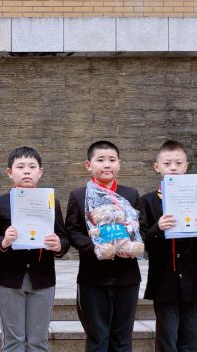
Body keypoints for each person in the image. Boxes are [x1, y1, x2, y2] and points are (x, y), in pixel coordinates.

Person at [0, 146, 69, 352]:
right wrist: (4, 241)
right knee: (13, 341)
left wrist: (58, 245)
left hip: (43, 278)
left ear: (40, 172)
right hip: (10, 280)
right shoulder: (1, 203)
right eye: (20, 167)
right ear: (10, 172)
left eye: (32, 166)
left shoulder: (51, 202)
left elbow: (64, 238)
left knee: (38, 342)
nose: (26, 171)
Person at [66, 140, 143, 352]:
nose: (107, 164)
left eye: (112, 160)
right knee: (97, 338)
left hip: (127, 276)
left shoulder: (130, 194)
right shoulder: (79, 196)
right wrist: (95, 249)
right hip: (93, 277)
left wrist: (132, 246)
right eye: (100, 160)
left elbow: (142, 227)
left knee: (123, 338)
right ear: (88, 165)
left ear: (119, 164)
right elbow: (73, 231)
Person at [138, 140, 197, 352]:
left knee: (192, 340)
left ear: (186, 166)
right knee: (167, 339)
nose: (173, 168)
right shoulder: (147, 201)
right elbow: (142, 242)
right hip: (164, 281)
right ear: (156, 167)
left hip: (192, 280)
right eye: (167, 163)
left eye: (178, 163)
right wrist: (158, 228)